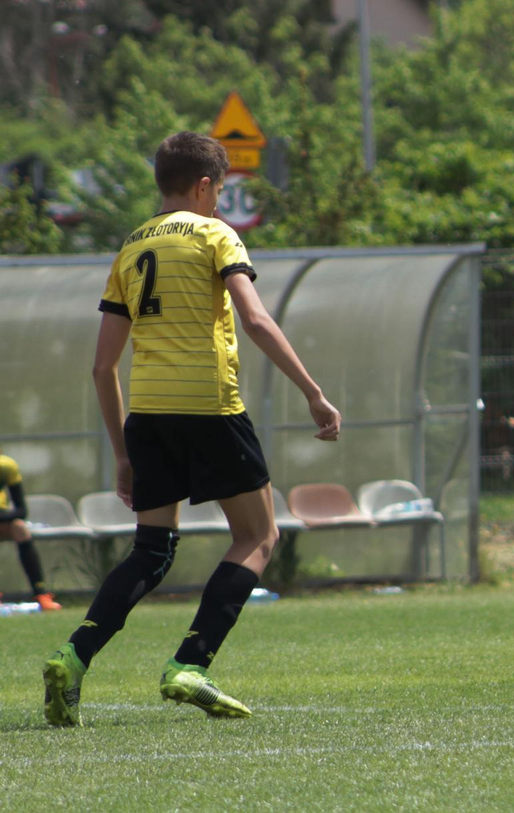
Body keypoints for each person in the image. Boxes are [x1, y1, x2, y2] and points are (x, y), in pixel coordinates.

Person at [42, 131, 342, 727]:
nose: (219, 202)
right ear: (205, 186)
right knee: (258, 536)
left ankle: (72, 656)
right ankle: (189, 663)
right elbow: (254, 319)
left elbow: (103, 367)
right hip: (210, 407)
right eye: (220, 191)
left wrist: (122, 454)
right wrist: (313, 392)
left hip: (148, 416)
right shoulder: (214, 234)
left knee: (151, 551)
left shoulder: (130, 248)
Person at [0, 449, 62, 611]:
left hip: (1, 517)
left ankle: (41, 594)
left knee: (19, 527)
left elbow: (21, 510)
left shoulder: (6, 466)